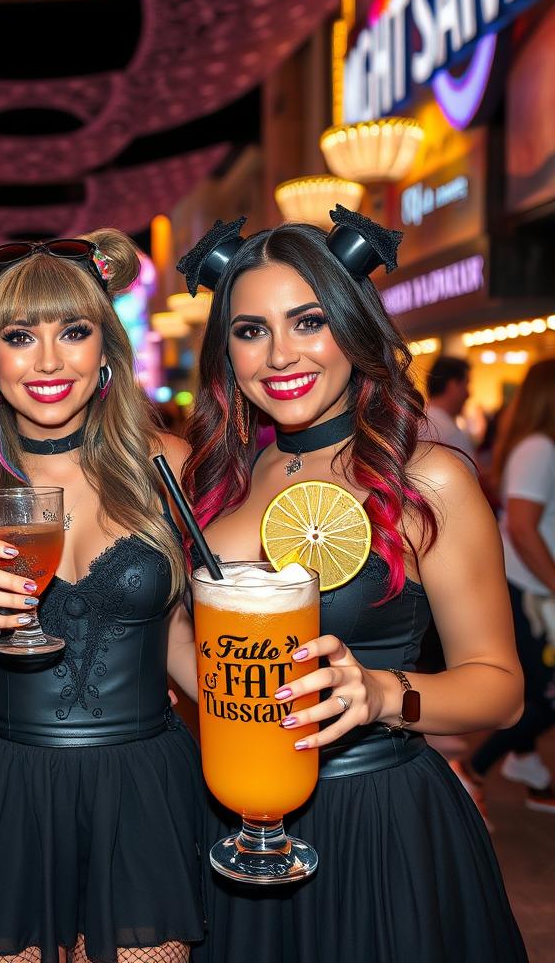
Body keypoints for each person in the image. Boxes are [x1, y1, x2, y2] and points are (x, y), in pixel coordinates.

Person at [180, 208, 527, 963]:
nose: (279, 355)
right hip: (235, 824)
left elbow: (501, 688)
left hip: (379, 820)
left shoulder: (425, 479)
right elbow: (199, 664)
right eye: (250, 330)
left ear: (353, 326)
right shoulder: (216, 479)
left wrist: (380, 694)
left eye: (308, 321)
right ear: (226, 352)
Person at [0, 232, 206, 963]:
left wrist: (263, 699)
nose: (48, 361)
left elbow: (179, 644)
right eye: (20, 336)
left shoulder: (166, 468)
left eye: (73, 331)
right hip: (2, 791)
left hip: (144, 787)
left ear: (106, 350)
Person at [456, 358, 555, 814]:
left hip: (529, 586)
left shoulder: (536, 445)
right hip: (529, 589)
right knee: (540, 695)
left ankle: (525, 764)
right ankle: (474, 768)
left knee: (538, 690)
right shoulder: (540, 448)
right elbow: (521, 527)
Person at [422, 355, 475, 459]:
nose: (468, 394)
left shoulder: (419, 420)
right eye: (466, 384)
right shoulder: (448, 432)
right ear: (452, 385)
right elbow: (468, 473)